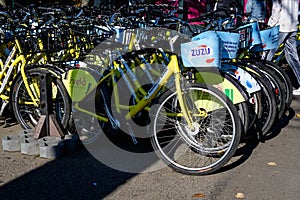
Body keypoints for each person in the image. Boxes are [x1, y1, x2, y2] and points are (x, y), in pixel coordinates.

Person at [266, 0, 300, 95]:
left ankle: (264, 80)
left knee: (268, 54)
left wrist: (271, 23)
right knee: (293, 58)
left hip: (281, 26)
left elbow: (276, 8)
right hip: (292, 25)